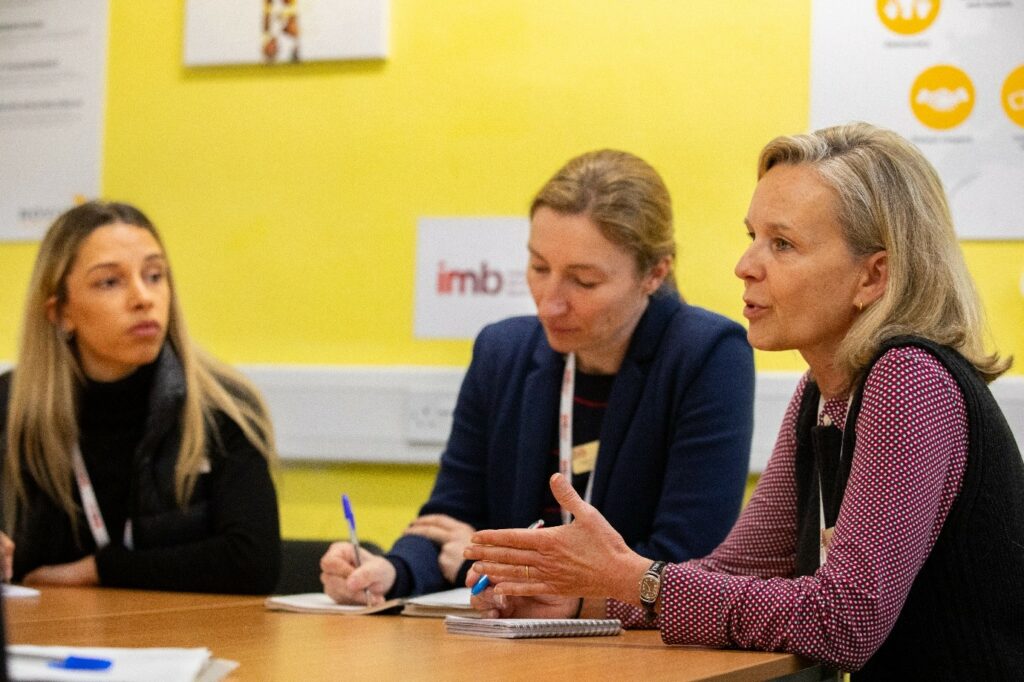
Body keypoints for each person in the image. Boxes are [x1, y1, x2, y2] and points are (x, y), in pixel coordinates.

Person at [464, 123, 1024, 679]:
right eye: (752, 235)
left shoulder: (910, 379)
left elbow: (844, 620)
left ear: (872, 276)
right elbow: (739, 569)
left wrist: (634, 579)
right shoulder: (821, 391)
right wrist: (580, 598)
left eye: (782, 244)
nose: (745, 265)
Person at [321, 149, 755, 604]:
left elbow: (684, 561)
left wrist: (501, 569)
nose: (549, 303)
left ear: (654, 273)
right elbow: (449, 521)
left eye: (583, 281)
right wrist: (392, 571)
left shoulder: (707, 355)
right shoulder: (502, 351)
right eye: (539, 268)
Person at [0, 201, 281, 594]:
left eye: (154, 276)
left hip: (185, 632)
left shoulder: (222, 406)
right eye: (109, 282)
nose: (143, 298)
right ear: (60, 312)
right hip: (47, 631)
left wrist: (101, 570)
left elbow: (252, 562)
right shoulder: (10, 407)